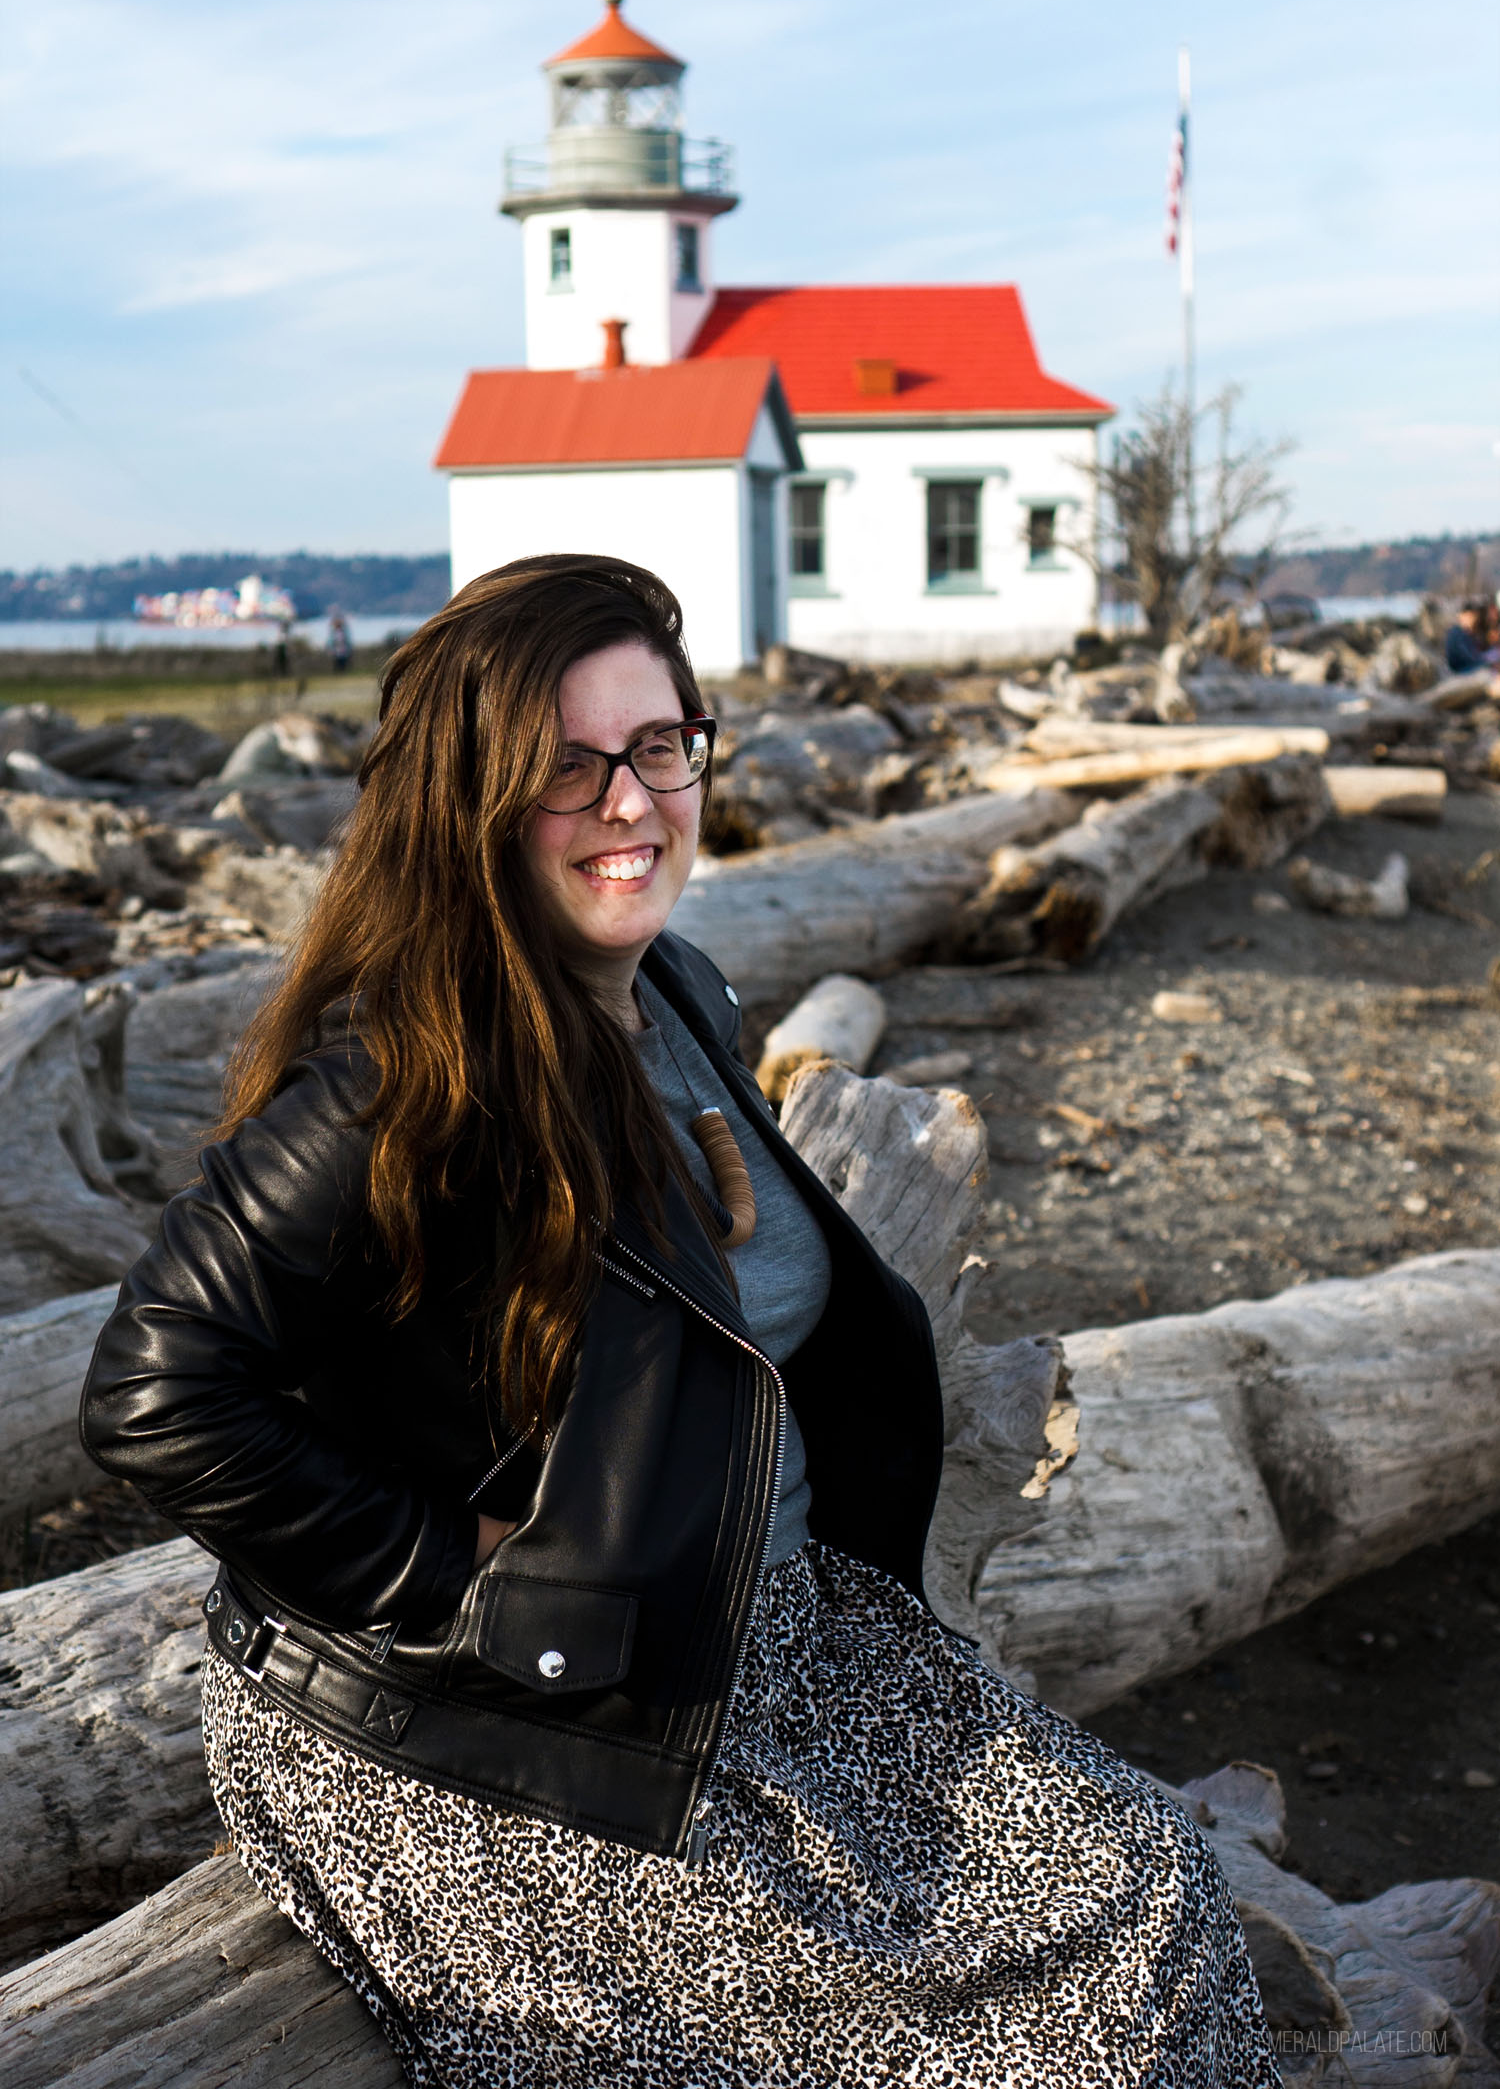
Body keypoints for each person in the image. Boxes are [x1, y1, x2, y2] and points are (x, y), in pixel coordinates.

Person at [80, 555, 1278, 2087]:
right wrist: (460, 1584)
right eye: (568, 769)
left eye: (659, 747)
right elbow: (154, 1393)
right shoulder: (398, 1084)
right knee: (1054, 2009)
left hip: (757, 1649)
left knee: (1152, 1895)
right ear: (473, 799)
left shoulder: (675, 993)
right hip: (510, 1732)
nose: (633, 803)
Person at [1445, 601, 1499, 673]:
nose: (1474, 619)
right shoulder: (1457, 633)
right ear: (1463, 615)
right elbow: (1469, 658)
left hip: (1471, 667)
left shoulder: (1467, 632)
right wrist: (1489, 664)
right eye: (1472, 616)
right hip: (1462, 670)